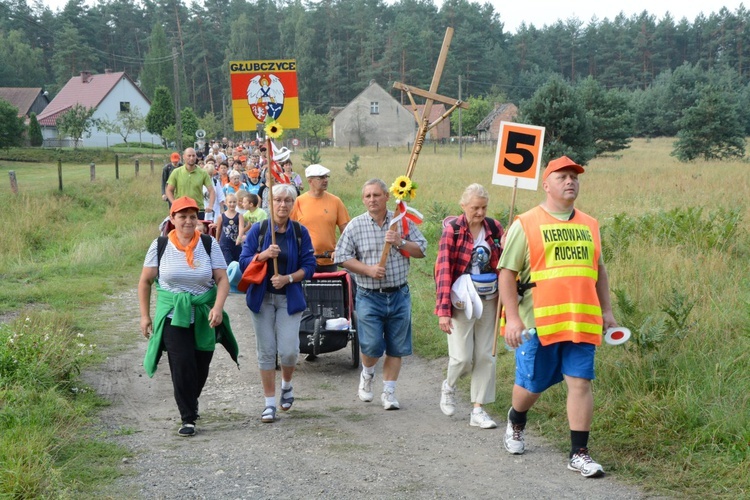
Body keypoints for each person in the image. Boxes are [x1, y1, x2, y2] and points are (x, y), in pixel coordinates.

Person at [498, 156, 617, 477]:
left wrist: (607, 311)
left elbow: (599, 272)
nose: (570, 182)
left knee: (580, 383)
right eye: (563, 177)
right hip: (538, 325)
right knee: (531, 386)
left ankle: (580, 453)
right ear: (546, 184)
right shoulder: (526, 223)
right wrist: (513, 318)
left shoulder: (590, 224)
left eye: (574, 177)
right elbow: (506, 275)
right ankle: (516, 419)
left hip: (581, 321)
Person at [138, 196, 236, 437]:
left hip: (204, 314)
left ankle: (190, 400)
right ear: (172, 219)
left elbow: (222, 279)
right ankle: (188, 417)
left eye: (192, 216)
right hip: (173, 315)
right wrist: (144, 316)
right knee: (181, 365)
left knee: (201, 365)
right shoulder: (160, 246)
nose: (188, 221)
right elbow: (145, 281)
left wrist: (217, 307)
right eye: (182, 217)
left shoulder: (208, 244)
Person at [334, 179, 427, 410]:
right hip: (368, 295)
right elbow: (341, 257)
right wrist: (368, 269)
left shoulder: (401, 223)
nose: (372, 200)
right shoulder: (355, 226)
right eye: (368, 196)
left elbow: (421, 250)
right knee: (372, 345)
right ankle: (367, 374)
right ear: (363, 199)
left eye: (377, 195)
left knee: (397, 346)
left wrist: (400, 242)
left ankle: (389, 392)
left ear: (387, 197)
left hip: (398, 295)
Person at [239, 184, 316, 423]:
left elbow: (310, 266)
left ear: (293, 204)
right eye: (277, 200)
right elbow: (242, 262)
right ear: (269, 203)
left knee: (289, 350)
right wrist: (262, 256)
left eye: (287, 201)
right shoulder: (259, 231)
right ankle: (269, 404)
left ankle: (287, 385)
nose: (282, 205)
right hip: (261, 298)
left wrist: (288, 278)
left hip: (289, 299)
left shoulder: (300, 232)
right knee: (267, 351)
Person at [434, 183, 504, 429]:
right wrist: (443, 311)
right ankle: (449, 385)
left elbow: (504, 263)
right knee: (463, 358)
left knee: (486, 355)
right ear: (463, 206)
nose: (480, 212)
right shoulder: (453, 230)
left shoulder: (494, 228)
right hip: (462, 299)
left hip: (490, 297)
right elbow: (443, 270)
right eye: (475, 208)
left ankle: (478, 409)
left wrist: (505, 245)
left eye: (484, 207)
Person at [291, 164, 350, 272]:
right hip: (305, 261)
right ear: (310, 181)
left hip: (329, 261)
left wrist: (341, 250)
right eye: (321, 178)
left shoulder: (335, 201)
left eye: (326, 177)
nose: (325, 180)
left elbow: (346, 232)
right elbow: (290, 231)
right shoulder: (298, 202)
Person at [166, 147, 215, 220]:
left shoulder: (203, 173)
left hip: (198, 210)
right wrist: (174, 203)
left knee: (198, 231)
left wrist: (210, 206)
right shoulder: (176, 172)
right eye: (189, 156)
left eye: (193, 156)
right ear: (184, 157)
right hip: (181, 209)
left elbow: (211, 191)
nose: (191, 158)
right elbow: (169, 190)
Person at [215, 193, 243, 265]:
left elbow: (241, 228)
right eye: (230, 202)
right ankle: (228, 276)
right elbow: (218, 229)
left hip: (236, 243)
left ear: (236, 203)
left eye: (234, 202)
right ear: (226, 203)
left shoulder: (239, 216)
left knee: (237, 262)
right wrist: (217, 240)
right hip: (224, 244)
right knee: (228, 262)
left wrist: (239, 237)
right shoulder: (221, 216)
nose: (232, 204)